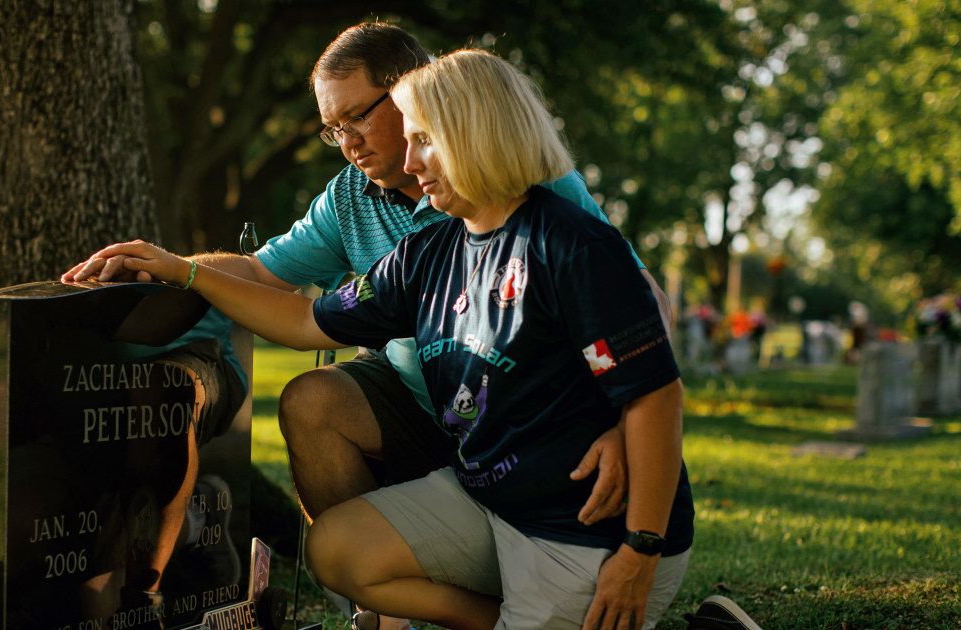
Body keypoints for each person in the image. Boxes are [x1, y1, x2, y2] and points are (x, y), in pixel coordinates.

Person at [63, 23, 663, 630]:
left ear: (412, 94)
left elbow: (644, 312)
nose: (347, 142)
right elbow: (277, 288)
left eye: (357, 118)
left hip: (537, 436)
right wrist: (178, 269)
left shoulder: (539, 201)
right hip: (426, 400)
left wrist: (622, 423)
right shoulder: (376, 215)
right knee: (314, 403)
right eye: (332, 128)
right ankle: (379, 613)